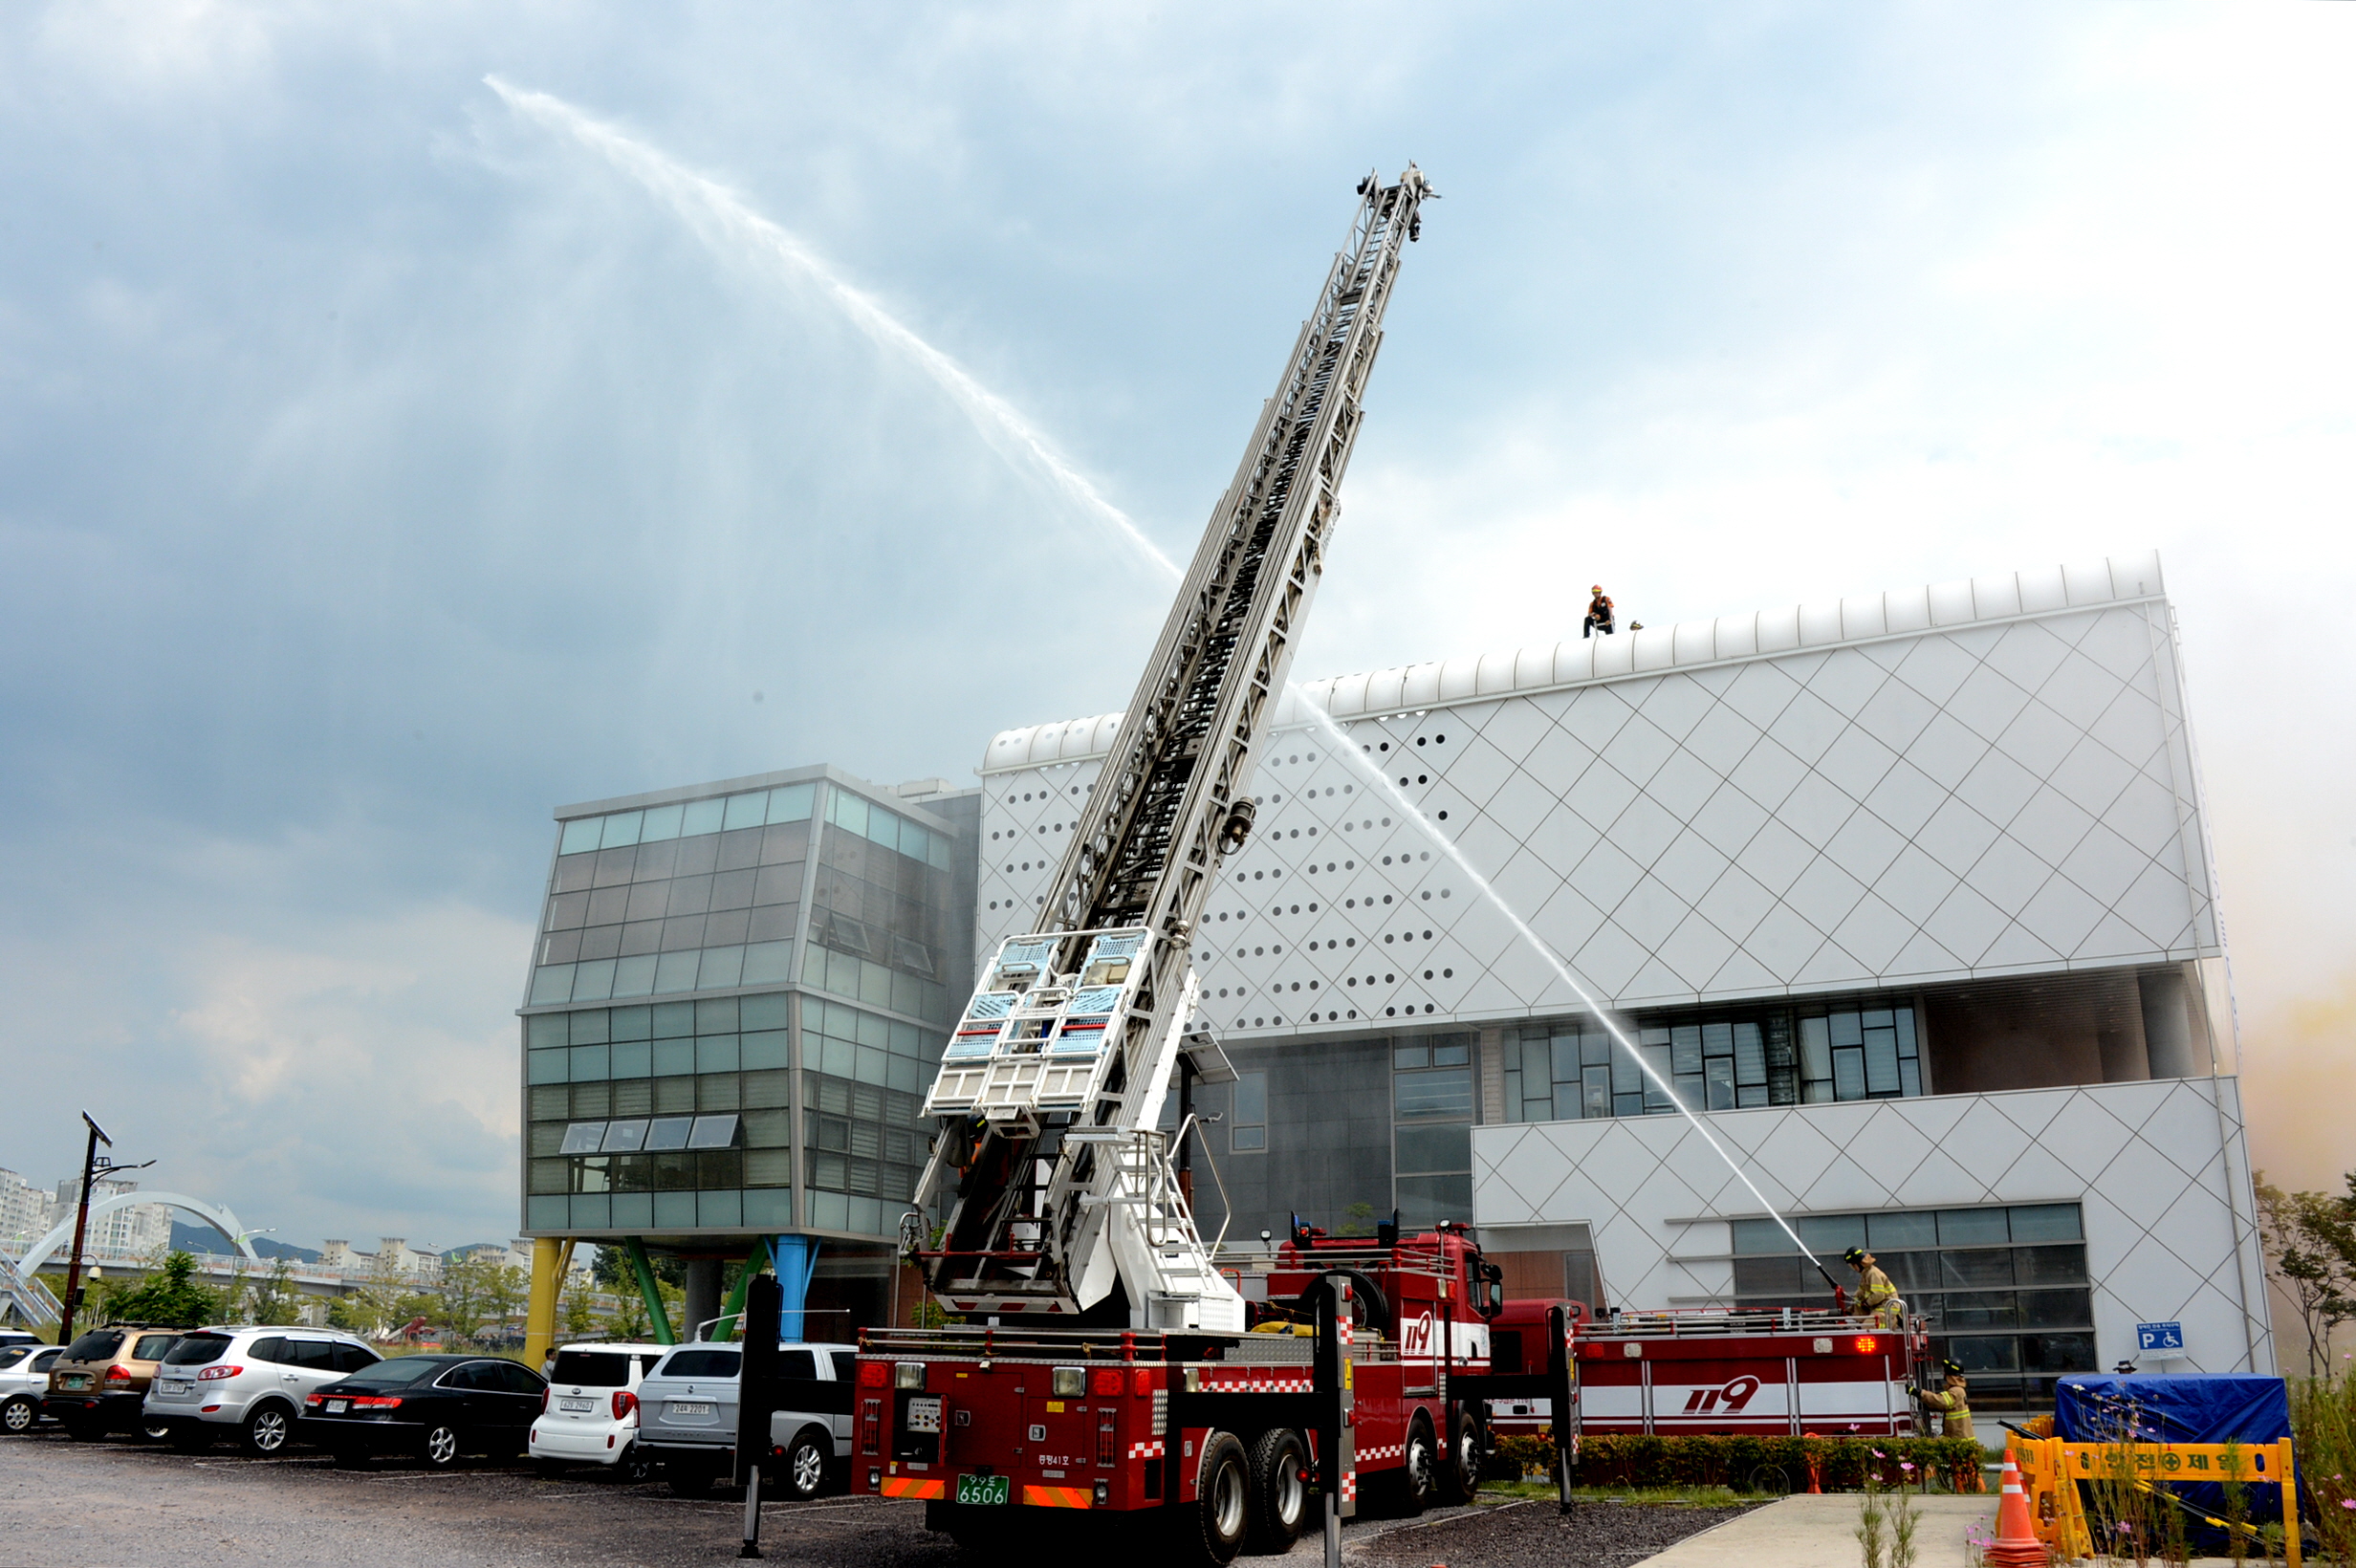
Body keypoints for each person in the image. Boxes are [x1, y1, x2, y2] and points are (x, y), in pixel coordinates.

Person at [1911, 1360, 1975, 1445]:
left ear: (1949, 1372)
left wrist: (1919, 1393)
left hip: (1959, 1439)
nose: (1943, 1373)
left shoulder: (1955, 1391)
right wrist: (1928, 1406)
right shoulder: (1958, 1390)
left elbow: (1940, 1401)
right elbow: (1948, 1406)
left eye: (1944, 1371)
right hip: (1960, 1437)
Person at [1843, 1246, 1903, 1329]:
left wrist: (1867, 1303)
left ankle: (1893, 1321)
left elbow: (1878, 1295)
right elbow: (1860, 1294)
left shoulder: (1873, 1274)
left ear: (1860, 1263)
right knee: (1860, 1321)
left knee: (1867, 1327)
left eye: (1853, 1265)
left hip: (1886, 1307)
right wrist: (1850, 1310)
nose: (1853, 1268)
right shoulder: (1866, 1275)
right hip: (1878, 1307)